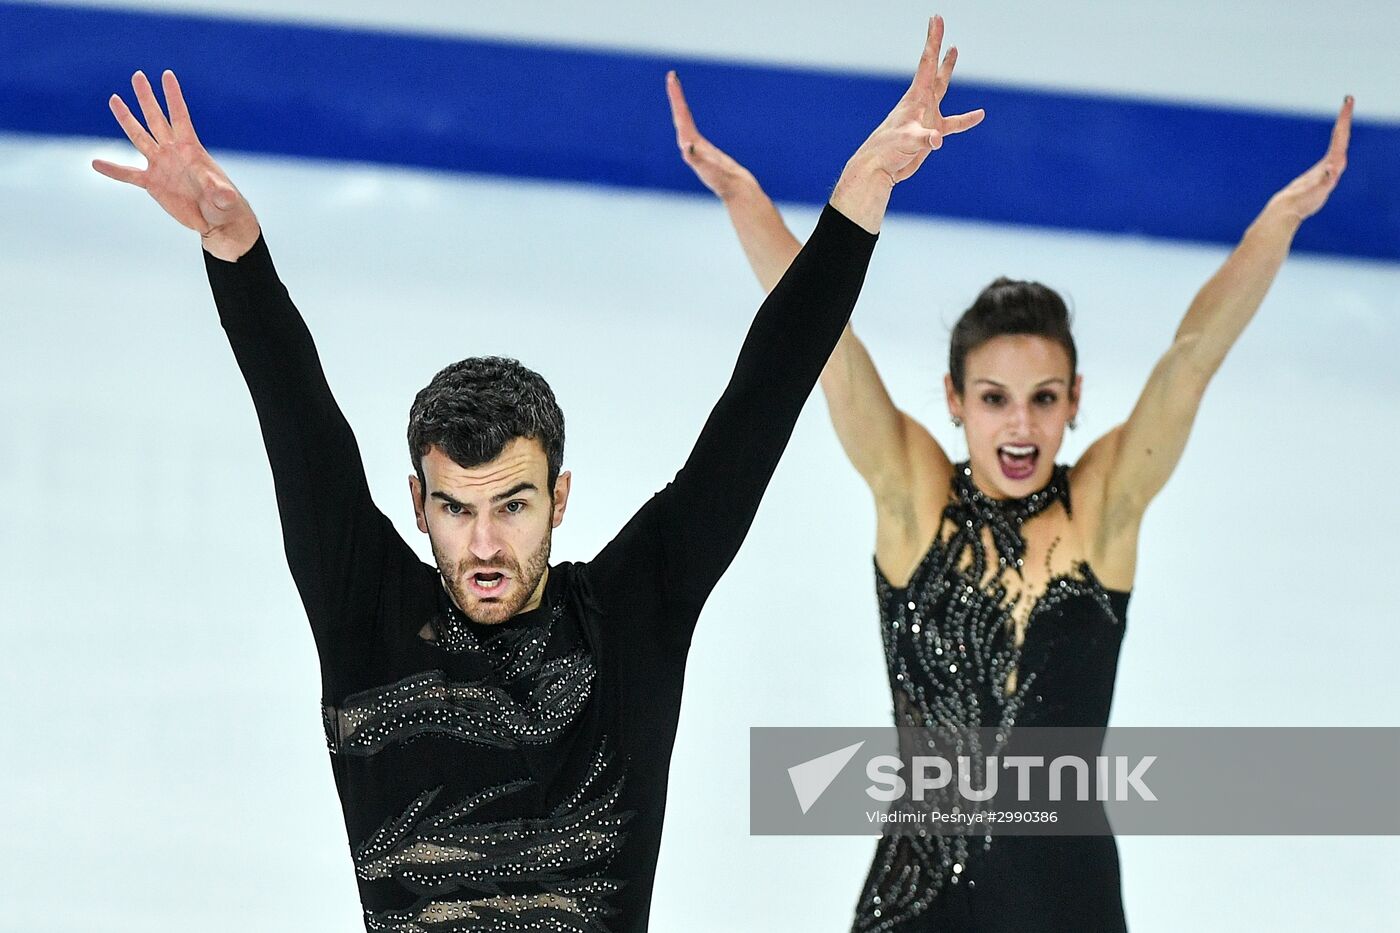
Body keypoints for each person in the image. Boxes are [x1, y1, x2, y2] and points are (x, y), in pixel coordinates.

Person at [90, 17, 984, 931]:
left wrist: (860, 195)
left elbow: (763, 397)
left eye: (512, 505)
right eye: (457, 508)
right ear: (419, 506)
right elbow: (297, 419)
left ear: (560, 497)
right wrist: (237, 254)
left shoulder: (631, 618)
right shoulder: (366, 612)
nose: (484, 544)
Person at [667, 56, 1353, 930]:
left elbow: (1191, 360)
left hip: (1067, 899)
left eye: (1043, 398)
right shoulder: (915, 498)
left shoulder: (1102, 511)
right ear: (955, 401)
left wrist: (1278, 220)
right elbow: (824, 344)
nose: (1020, 425)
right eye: (993, 398)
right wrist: (744, 200)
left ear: (1075, 401)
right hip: (919, 896)